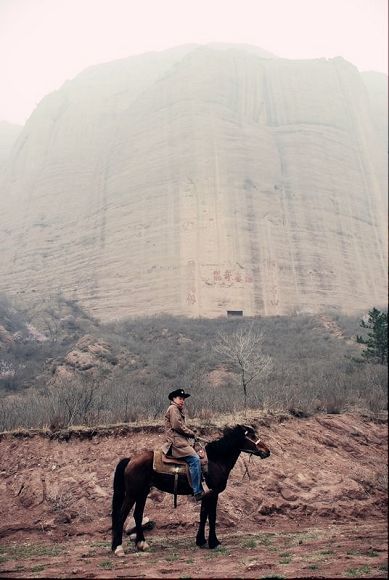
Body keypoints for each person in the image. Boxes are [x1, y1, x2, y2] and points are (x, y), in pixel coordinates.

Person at [161, 388, 209, 501]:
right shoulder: (173, 408)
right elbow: (177, 426)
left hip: (181, 441)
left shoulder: (177, 409)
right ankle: (197, 491)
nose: (182, 401)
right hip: (176, 443)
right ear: (174, 399)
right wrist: (191, 433)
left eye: (183, 399)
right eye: (180, 398)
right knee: (195, 459)